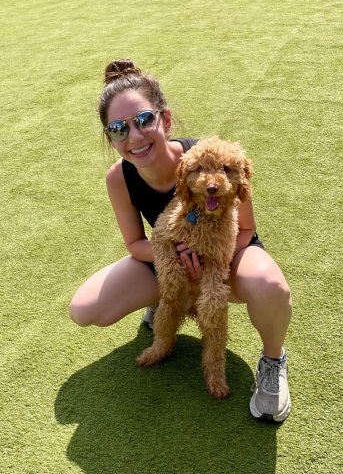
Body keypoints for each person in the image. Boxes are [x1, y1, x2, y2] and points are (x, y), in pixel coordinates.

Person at [69, 59, 292, 422]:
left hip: (227, 253)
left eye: (143, 120)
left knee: (268, 285)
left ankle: (273, 361)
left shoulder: (216, 161)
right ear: (110, 137)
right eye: (118, 128)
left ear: (165, 119)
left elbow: (247, 229)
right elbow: (135, 243)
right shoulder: (119, 178)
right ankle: (162, 308)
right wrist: (174, 257)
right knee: (85, 310)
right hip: (164, 255)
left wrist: (209, 262)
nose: (135, 137)